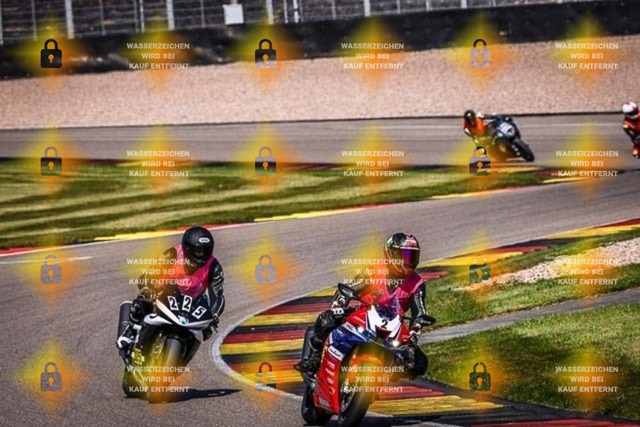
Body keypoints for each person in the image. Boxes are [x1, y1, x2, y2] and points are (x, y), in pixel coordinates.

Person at [294, 233, 432, 380]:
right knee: (326, 320)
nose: (409, 261)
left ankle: (386, 376)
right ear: (391, 254)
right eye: (405, 256)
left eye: (412, 256)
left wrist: (414, 332)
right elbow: (348, 289)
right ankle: (314, 359)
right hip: (363, 315)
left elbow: (419, 312)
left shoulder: (417, 284)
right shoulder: (373, 271)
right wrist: (338, 306)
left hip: (393, 326)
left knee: (419, 362)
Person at [116, 226, 225, 360]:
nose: (202, 254)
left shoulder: (214, 266)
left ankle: (184, 353)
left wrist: (214, 315)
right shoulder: (172, 255)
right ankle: (129, 332)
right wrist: (148, 288)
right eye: (198, 251)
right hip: (163, 292)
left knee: (206, 330)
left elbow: (217, 294)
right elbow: (151, 273)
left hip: (192, 302)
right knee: (143, 302)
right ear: (187, 248)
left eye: (205, 250)